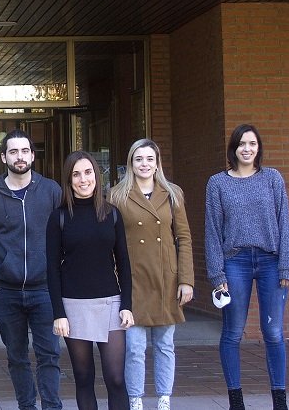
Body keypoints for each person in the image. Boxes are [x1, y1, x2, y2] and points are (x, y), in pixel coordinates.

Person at [205, 124, 289, 410]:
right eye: (242, 144)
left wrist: (285, 266)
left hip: (270, 260)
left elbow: (284, 222)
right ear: (233, 147)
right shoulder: (217, 183)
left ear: (259, 147)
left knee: (274, 333)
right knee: (233, 332)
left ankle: (279, 401)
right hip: (235, 261)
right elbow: (212, 230)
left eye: (252, 143)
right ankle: (236, 401)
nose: (247, 149)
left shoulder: (272, 179)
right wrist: (217, 273)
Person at [0, 129, 63, 410]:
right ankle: (27, 406)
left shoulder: (51, 191)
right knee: (16, 356)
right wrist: (2, 266)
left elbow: (64, 236)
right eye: (13, 152)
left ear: (32, 155)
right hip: (6, 292)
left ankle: (52, 406)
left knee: (49, 354)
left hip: (45, 290)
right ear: (4, 157)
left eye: (24, 151)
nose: (20, 157)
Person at [108, 139, 193, 410]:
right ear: (131, 163)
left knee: (165, 344)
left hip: (166, 278)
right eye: (138, 159)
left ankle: (164, 398)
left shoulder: (172, 193)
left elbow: (184, 237)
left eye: (149, 159)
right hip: (133, 279)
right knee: (134, 347)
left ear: (157, 163)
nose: (144, 164)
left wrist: (186, 280)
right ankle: (135, 400)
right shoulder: (117, 195)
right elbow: (109, 242)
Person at [47, 150, 134, 410]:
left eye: (88, 173)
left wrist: (127, 304)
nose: (83, 179)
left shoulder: (112, 214)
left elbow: (125, 263)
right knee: (84, 378)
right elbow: (52, 269)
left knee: (116, 378)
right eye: (76, 174)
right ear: (68, 180)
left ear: (96, 175)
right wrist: (58, 313)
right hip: (73, 306)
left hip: (110, 303)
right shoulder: (59, 217)